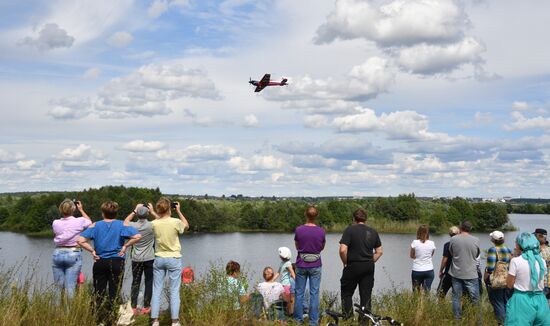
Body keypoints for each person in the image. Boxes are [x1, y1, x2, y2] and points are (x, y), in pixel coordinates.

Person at [77, 201, 141, 324]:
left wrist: (92, 251)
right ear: (116, 213)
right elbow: (137, 236)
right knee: (114, 292)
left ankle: (99, 320)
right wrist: (125, 246)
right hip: (117, 262)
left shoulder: (95, 225)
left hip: (100, 261)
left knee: (98, 292)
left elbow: (80, 240)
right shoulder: (122, 224)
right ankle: (112, 320)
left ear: (103, 213)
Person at [150, 198, 189, 326]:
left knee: (156, 290)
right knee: (174, 290)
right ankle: (175, 321)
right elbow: (186, 226)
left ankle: (155, 321)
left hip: (159, 258)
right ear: (169, 209)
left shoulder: (154, 223)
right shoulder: (176, 222)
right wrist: (179, 211)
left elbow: (159, 221)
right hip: (173, 258)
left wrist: (154, 213)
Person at [339, 209, 383, 320]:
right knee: (366, 296)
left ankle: (348, 318)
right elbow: (380, 251)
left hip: (353, 265)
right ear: (365, 219)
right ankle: (364, 321)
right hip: (368, 266)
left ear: (354, 219)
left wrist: (345, 262)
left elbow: (343, 250)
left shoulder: (349, 230)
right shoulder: (373, 231)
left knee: (347, 293)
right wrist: (370, 261)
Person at [505, 232, 550, 325]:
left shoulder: (515, 261)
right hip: (541, 299)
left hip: (521, 300)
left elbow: (509, 284)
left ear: (518, 245)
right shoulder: (541, 261)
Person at [51, 199, 92, 298]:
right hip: (73, 253)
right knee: (70, 288)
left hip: (57, 253)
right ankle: (70, 313)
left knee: (58, 288)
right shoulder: (80, 221)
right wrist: (81, 210)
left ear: (61, 209)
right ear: (73, 209)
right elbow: (90, 223)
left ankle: (57, 312)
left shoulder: (55, 222)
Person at [293, 206, 326, 326]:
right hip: (316, 264)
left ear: (305, 215)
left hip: (301, 264)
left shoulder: (299, 230)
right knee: (314, 293)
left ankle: (297, 321)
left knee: (299, 293)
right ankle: (313, 322)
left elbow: (297, 246)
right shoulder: (321, 231)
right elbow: (322, 247)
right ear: (316, 216)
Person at [124, 203, 156, 315]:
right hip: (149, 258)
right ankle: (146, 307)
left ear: (137, 214)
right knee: (148, 281)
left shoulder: (133, 226)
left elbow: (125, 222)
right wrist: (152, 211)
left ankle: (133, 307)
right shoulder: (152, 225)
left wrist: (134, 210)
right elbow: (161, 221)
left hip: (136, 258)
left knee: (135, 282)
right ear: (147, 214)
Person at [448, 220, 481, 320]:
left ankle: (457, 319)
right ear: (470, 229)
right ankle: (477, 320)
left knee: (456, 298)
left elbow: (451, 252)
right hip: (471, 274)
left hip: (456, 273)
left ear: (461, 227)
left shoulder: (453, 239)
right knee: (475, 299)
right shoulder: (476, 240)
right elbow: (477, 255)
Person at [484, 230, 512, 325]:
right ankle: (509, 322)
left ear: (493, 240)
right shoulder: (508, 249)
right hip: (507, 279)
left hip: (497, 280)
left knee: (498, 302)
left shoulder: (493, 250)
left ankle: (502, 323)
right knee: (506, 302)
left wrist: (486, 278)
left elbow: (490, 268)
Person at [410, 224, 436, 292]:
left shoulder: (415, 242)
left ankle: (417, 303)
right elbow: (431, 255)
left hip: (417, 270)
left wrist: (417, 257)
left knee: (416, 292)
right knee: (427, 292)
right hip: (429, 271)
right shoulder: (432, 243)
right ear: (427, 233)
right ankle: (427, 302)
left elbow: (411, 255)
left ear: (418, 232)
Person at [437, 226, 460, 298]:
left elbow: (445, 259)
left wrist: (441, 271)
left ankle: (441, 308)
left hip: (448, 273)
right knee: (457, 295)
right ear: (458, 233)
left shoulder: (447, 245)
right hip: (459, 273)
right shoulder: (462, 245)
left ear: (449, 235)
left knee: (440, 293)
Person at [274, 247, 295, 315]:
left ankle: (289, 313)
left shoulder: (288, 264)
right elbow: (278, 272)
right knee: (285, 299)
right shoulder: (282, 263)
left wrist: (297, 281)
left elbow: (292, 273)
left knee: (287, 300)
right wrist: (272, 280)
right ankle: (287, 313)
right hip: (282, 284)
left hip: (287, 285)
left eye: (280, 254)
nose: (279, 256)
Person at [533, 228, 550, 300]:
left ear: (539, 236)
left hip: (542, 283)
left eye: (535, 236)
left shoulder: (536, 251)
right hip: (548, 282)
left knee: (538, 304)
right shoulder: (549, 248)